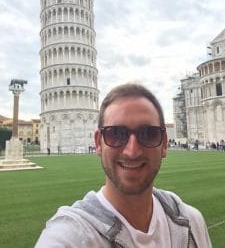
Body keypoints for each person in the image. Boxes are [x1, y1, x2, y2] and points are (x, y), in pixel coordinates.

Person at [35, 83, 212, 248]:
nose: (132, 151)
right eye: (116, 134)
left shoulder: (191, 221)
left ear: (164, 144)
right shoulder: (71, 236)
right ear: (98, 143)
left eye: (148, 134)